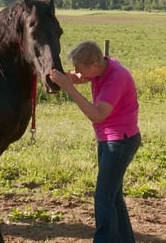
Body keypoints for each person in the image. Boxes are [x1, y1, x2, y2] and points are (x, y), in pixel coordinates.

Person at [49, 40, 141, 243]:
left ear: (95, 65)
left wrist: (69, 88)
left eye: (79, 68)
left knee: (103, 198)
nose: (76, 73)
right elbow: (80, 77)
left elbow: (98, 114)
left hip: (120, 142)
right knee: (113, 196)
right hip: (111, 140)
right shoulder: (101, 67)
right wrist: (59, 78)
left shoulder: (116, 77)